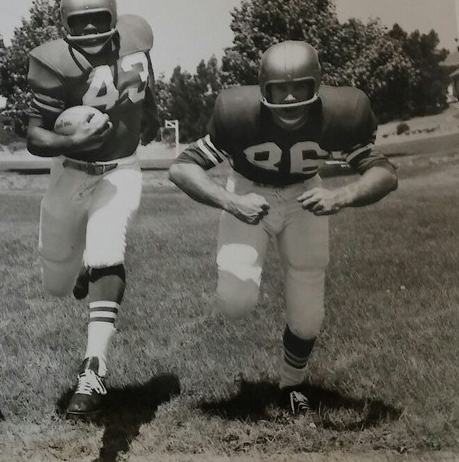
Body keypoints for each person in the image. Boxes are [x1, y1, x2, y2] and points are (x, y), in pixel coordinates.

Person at [168, 40, 397, 416]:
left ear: (317, 85)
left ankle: (292, 384)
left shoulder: (343, 113)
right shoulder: (237, 113)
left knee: (308, 313)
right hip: (247, 191)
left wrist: (341, 196)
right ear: (263, 89)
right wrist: (232, 202)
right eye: (280, 88)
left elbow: (384, 173)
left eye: (299, 87)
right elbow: (182, 167)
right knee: (235, 301)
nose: (290, 98)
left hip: (304, 194)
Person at [25, 0, 160, 417]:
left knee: (107, 250)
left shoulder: (137, 37)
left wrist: (150, 116)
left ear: (114, 17)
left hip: (121, 169)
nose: (89, 30)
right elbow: (34, 135)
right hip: (69, 173)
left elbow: (144, 84)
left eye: (97, 21)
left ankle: (93, 368)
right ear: (64, 26)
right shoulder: (51, 63)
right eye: (78, 23)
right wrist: (74, 140)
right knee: (55, 283)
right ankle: (79, 267)